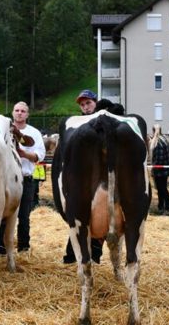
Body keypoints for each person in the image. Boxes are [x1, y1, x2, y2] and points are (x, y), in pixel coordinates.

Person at [62, 89, 104, 264]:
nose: (86, 107)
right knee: (78, 218)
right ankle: (72, 256)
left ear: (96, 102)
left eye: (88, 103)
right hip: (80, 179)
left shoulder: (104, 121)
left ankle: (94, 256)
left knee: (98, 217)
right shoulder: (75, 124)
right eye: (82, 104)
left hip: (100, 179)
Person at [0, 101, 45, 254]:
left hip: (26, 178)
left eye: (23, 111)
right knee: (2, 214)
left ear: (27, 114)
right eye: (17, 110)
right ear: (12, 113)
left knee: (24, 216)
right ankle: (0, 248)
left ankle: (23, 248)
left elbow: (40, 155)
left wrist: (24, 154)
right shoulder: (2, 130)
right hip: (6, 179)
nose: (19, 113)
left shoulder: (34, 133)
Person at [150, 124, 169, 212]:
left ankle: (163, 207)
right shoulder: (164, 139)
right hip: (164, 170)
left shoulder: (158, 142)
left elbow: (159, 158)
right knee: (163, 188)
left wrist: (154, 168)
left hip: (160, 170)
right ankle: (165, 206)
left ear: (153, 131)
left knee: (161, 189)